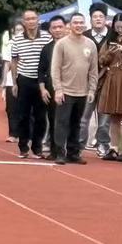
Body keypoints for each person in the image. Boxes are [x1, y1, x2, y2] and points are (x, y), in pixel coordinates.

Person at [49, 12, 98, 164]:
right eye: (75, 23)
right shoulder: (61, 44)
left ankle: (73, 153)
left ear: (85, 25)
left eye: (81, 23)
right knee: (62, 123)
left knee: (77, 123)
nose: (78, 25)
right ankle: (60, 153)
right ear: (70, 25)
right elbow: (55, 68)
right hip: (65, 91)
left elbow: (93, 70)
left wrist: (92, 89)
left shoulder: (90, 44)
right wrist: (58, 89)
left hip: (82, 92)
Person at [10, 8, 52, 159]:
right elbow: (14, 61)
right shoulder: (17, 39)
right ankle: (23, 146)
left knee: (41, 116)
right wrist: (14, 82)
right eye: (27, 19)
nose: (31, 21)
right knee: (23, 115)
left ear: (38, 20)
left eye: (33, 18)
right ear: (23, 22)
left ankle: (37, 147)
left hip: (42, 82)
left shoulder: (47, 37)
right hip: (24, 80)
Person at [98, 13, 122, 160]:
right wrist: (109, 53)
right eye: (117, 27)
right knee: (113, 115)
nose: (119, 30)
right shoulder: (109, 40)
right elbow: (101, 61)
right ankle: (113, 147)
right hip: (112, 77)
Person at [37, 16, 68, 159]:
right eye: (54, 27)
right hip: (51, 88)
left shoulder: (72, 45)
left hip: (71, 87)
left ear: (65, 27)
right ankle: (55, 151)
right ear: (50, 30)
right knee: (54, 119)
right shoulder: (47, 48)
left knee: (70, 120)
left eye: (60, 27)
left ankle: (72, 151)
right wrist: (43, 89)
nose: (57, 30)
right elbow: (41, 71)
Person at [82, 4, 111, 156]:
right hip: (87, 83)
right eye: (95, 17)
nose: (98, 19)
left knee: (104, 118)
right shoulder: (84, 36)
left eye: (101, 16)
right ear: (91, 19)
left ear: (105, 18)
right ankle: (79, 145)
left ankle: (103, 145)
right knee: (83, 116)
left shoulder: (112, 35)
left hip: (107, 82)